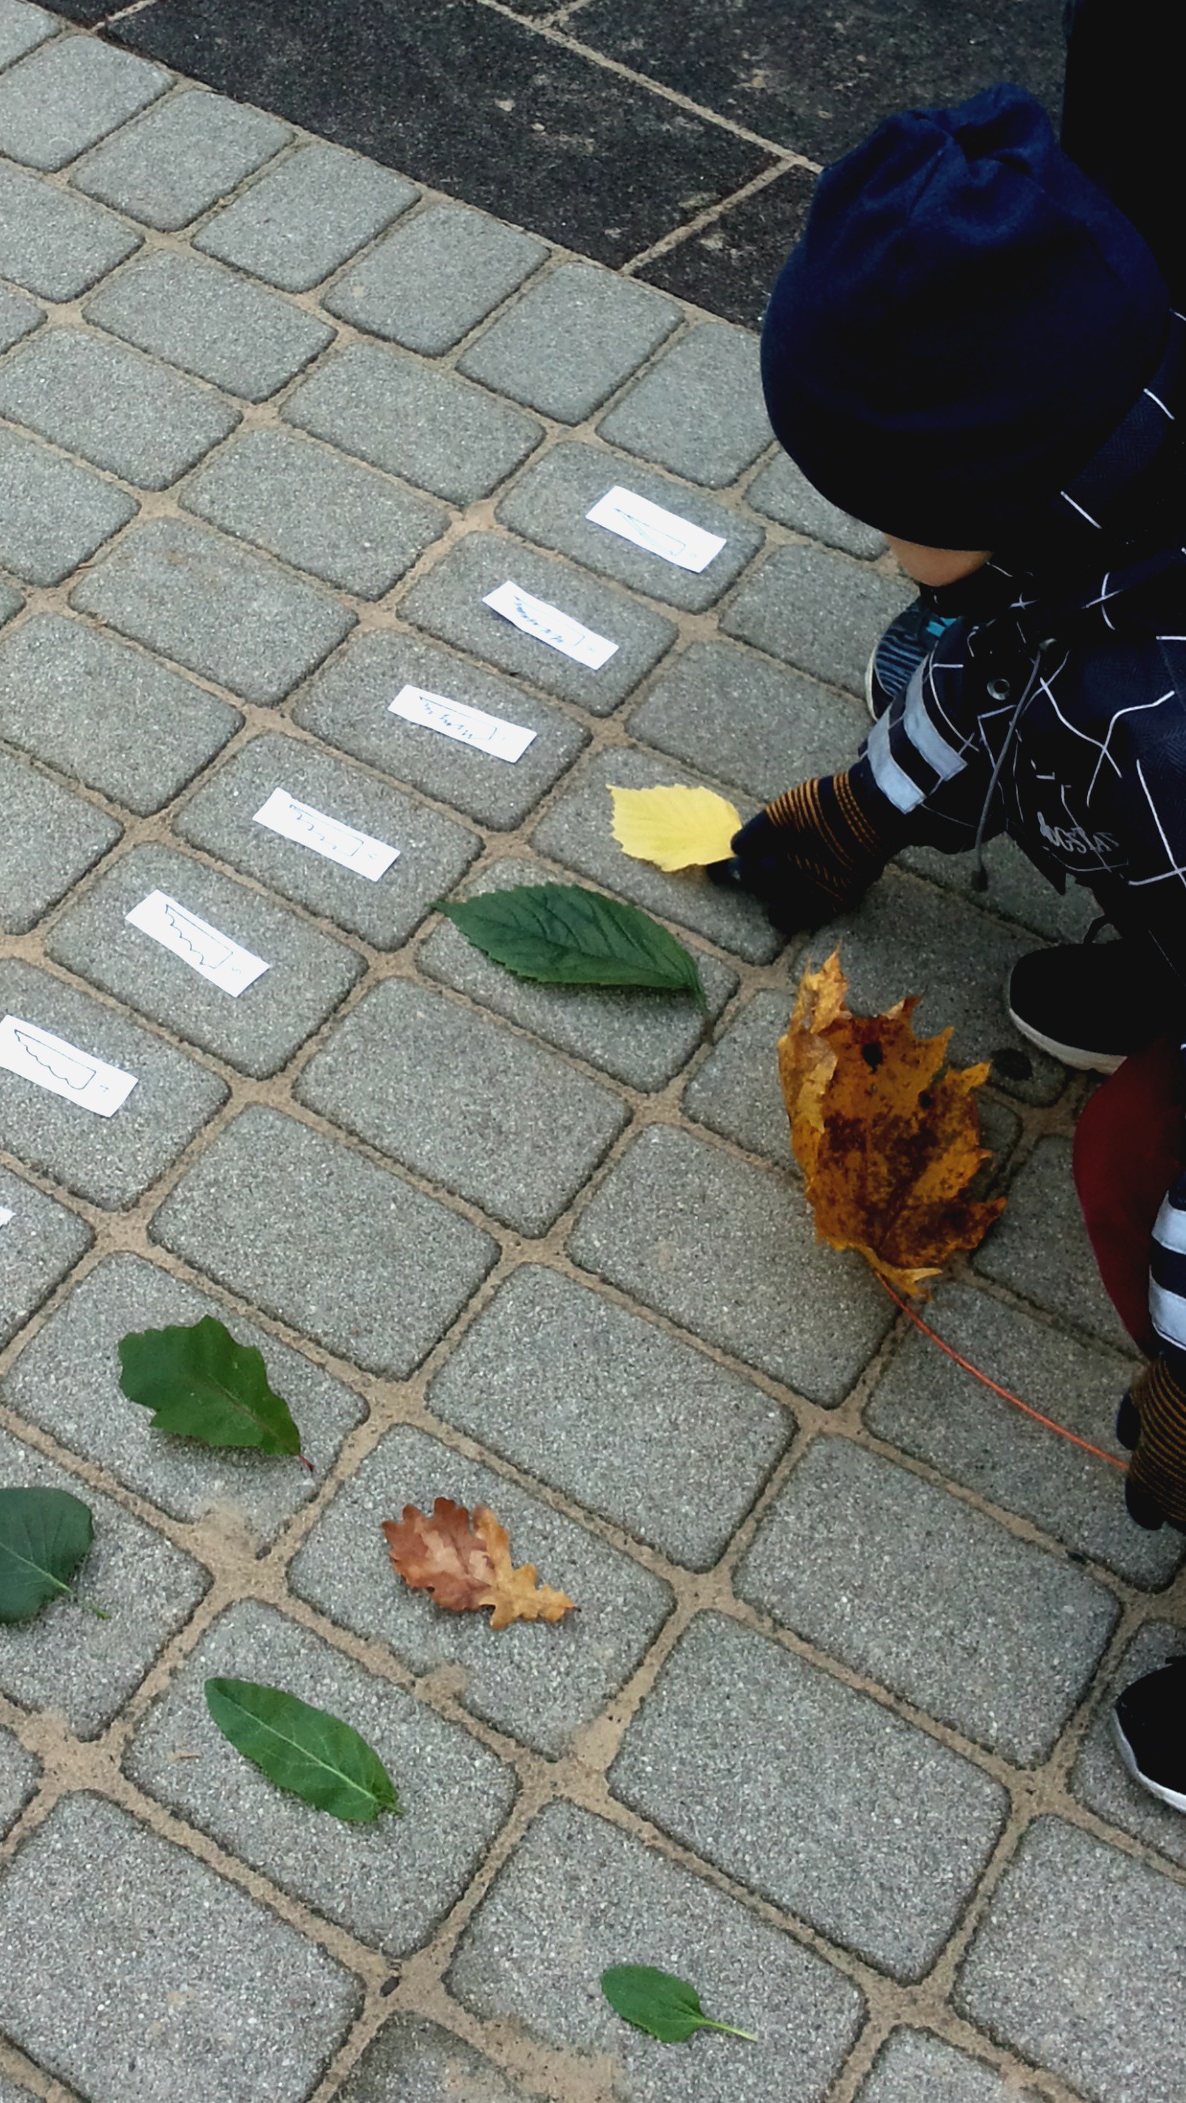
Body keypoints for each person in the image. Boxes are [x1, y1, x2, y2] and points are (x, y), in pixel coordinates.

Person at [726, 10, 1184, 1805]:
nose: (873, 544)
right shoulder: (1097, 505)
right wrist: (844, 820)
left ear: (994, 490)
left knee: (1131, 1171)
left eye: (886, 509)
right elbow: (988, 673)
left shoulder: (1153, 734)